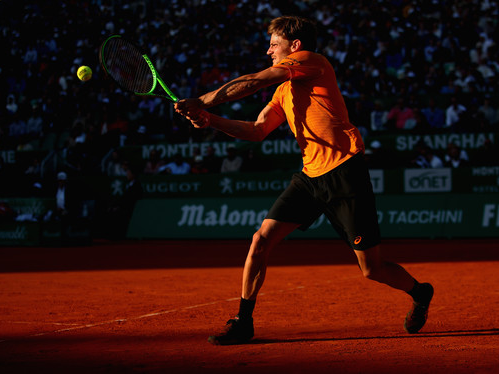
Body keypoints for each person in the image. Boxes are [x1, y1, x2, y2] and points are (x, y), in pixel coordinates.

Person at [175, 16, 433, 345]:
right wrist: (210, 120)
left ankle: (419, 292)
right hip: (310, 177)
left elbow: (255, 81)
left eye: (274, 43)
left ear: (294, 47)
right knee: (261, 240)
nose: (268, 49)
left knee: (372, 269)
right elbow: (256, 131)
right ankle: (243, 321)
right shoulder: (284, 92)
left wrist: (205, 100)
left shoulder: (313, 62)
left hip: (345, 172)